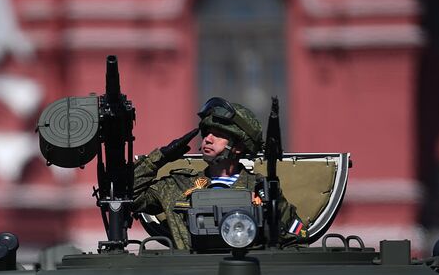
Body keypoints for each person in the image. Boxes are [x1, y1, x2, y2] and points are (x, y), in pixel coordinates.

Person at [131, 97, 308, 250]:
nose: (207, 138)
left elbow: (297, 240)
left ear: (238, 147)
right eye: (207, 133)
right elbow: (129, 196)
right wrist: (159, 158)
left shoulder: (261, 189)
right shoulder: (177, 185)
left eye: (218, 134)